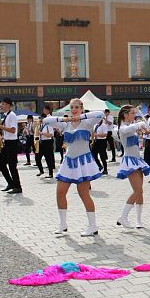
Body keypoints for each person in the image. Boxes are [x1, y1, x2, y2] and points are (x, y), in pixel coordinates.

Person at [43, 99, 104, 236]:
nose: (74, 109)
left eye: (77, 107)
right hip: (68, 162)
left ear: (82, 108)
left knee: (84, 194)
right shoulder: (66, 124)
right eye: (72, 107)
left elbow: (100, 114)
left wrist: (81, 117)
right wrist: (67, 118)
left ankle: (93, 226)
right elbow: (47, 120)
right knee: (60, 192)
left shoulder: (87, 122)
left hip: (83, 162)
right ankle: (62, 224)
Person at [116, 105, 150, 229]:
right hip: (130, 161)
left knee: (140, 192)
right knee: (138, 191)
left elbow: (146, 126)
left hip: (137, 160)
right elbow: (127, 129)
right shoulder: (123, 128)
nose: (134, 115)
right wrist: (138, 124)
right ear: (125, 115)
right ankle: (123, 217)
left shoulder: (131, 126)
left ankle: (138, 221)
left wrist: (141, 120)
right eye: (132, 113)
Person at [0, 98, 22, 194]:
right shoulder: (5, 115)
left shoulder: (12, 116)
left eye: (2, 104)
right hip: (6, 142)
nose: (1, 106)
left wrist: (0, 127)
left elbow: (13, 130)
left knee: (12, 166)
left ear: (8, 105)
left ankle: (18, 187)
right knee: (1, 164)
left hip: (12, 143)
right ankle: (10, 183)